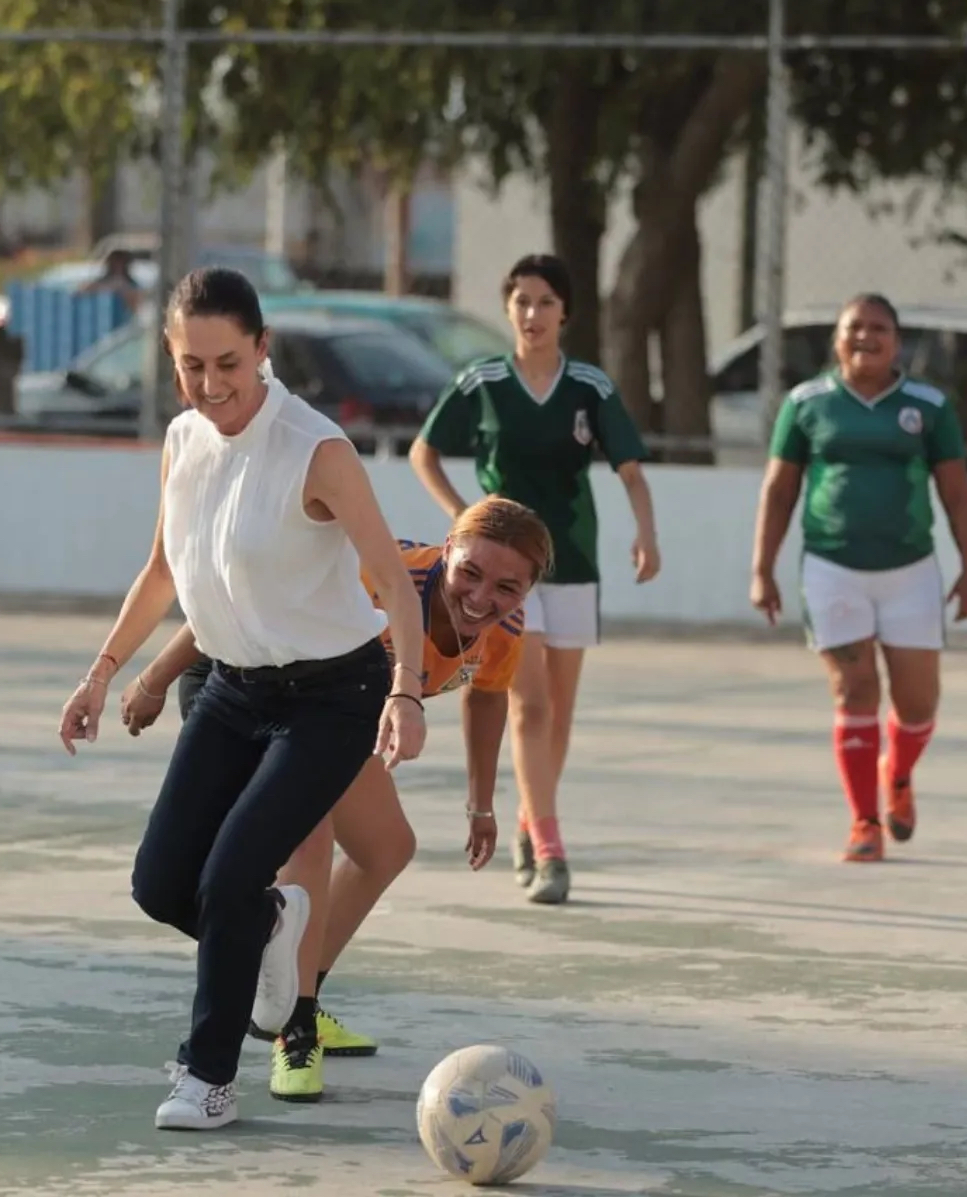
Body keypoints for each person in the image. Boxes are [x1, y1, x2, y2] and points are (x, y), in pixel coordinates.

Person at [57, 266, 427, 1131]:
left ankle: (206, 1077)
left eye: (228, 362)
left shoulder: (315, 448)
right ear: (170, 359)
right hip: (229, 687)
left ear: (262, 349)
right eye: (192, 365)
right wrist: (104, 673)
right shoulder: (183, 440)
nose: (211, 384)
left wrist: (406, 692)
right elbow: (162, 573)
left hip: (333, 696)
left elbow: (397, 588)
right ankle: (270, 933)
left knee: (228, 875)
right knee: (159, 883)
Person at [118, 495, 554, 1103]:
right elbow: (245, 601)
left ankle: (298, 985)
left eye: (509, 586)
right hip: (241, 685)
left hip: (328, 717)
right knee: (308, 829)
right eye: (471, 574)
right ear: (448, 550)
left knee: (387, 847)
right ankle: (292, 1024)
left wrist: (481, 805)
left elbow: (485, 698)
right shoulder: (379, 581)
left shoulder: (505, 628)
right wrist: (151, 678)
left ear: (530, 589)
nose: (483, 597)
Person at [408, 253, 660, 905]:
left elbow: (630, 468)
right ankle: (550, 845)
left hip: (571, 558)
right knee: (529, 701)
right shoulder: (483, 381)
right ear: (507, 308)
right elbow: (423, 450)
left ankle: (528, 814)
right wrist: (462, 515)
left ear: (564, 312)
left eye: (545, 301)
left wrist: (646, 532)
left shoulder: (589, 388)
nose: (531, 313)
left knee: (560, 714)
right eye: (520, 300)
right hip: (504, 576)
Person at [750, 292, 967, 862]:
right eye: (854, 328)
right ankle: (864, 820)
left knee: (918, 703)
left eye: (878, 328)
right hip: (832, 570)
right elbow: (779, 490)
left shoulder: (930, 405)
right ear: (836, 338)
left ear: (897, 341)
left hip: (911, 571)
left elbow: (956, 495)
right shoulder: (806, 404)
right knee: (855, 690)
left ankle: (897, 772)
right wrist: (762, 568)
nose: (865, 337)